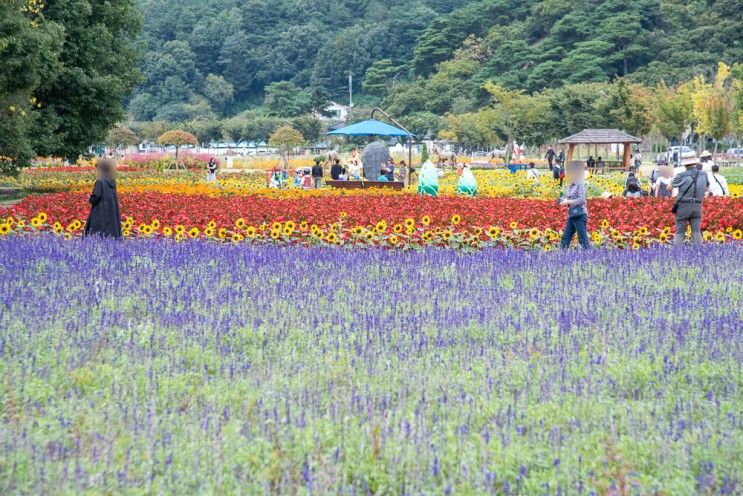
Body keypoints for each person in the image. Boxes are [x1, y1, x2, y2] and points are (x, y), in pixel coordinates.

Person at [669, 155, 709, 246]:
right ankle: (698, 253)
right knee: (696, 231)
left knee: (680, 231)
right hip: (697, 205)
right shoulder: (704, 174)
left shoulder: (681, 175)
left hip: (683, 206)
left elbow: (669, 187)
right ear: (695, 163)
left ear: (685, 165)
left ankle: (677, 254)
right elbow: (706, 189)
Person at [84, 158, 122, 239]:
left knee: (98, 233)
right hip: (111, 211)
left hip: (100, 211)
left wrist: (89, 198)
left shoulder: (100, 182)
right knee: (109, 232)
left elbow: (95, 198)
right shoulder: (112, 181)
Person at [559, 162, 589, 250]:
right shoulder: (570, 185)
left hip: (580, 214)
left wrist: (569, 201)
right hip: (572, 214)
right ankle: (561, 256)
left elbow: (582, 199)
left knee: (582, 238)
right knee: (565, 237)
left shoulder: (580, 185)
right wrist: (562, 200)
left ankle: (589, 255)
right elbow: (567, 196)